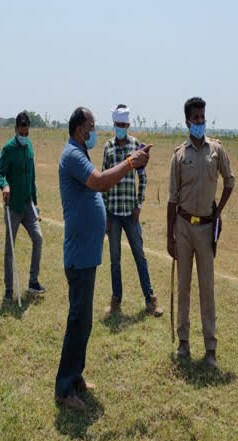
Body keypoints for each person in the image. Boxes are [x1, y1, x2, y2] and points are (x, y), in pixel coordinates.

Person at [55, 107, 152, 408]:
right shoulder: (72, 155)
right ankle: (64, 388)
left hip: (87, 253)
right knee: (77, 320)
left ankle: (76, 376)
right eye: (92, 126)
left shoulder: (80, 153)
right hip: (79, 252)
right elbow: (98, 182)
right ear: (80, 128)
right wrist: (129, 163)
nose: (95, 131)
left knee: (84, 321)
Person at [167, 97, 234, 369]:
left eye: (202, 117)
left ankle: (210, 348)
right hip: (182, 227)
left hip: (206, 228)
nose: (200, 122)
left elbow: (230, 181)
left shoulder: (216, 150)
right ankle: (183, 342)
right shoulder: (179, 155)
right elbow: (172, 198)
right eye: (195, 118)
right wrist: (169, 235)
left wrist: (218, 213)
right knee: (183, 287)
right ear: (187, 122)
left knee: (207, 289)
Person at [102, 104, 162, 317]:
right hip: (113, 214)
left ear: (128, 125)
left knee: (140, 256)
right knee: (115, 260)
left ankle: (151, 300)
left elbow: (142, 177)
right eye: (118, 124)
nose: (121, 127)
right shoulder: (107, 148)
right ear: (114, 124)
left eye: (124, 125)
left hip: (130, 214)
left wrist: (139, 205)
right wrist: (105, 216)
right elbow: (103, 181)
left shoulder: (136, 145)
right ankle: (116, 301)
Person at [0, 111, 44, 301]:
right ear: (15, 129)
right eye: (21, 133)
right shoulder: (8, 149)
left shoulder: (29, 146)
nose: (24, 137)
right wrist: (4, 184)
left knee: (38, 238)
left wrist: (35, 201)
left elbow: (32, 177)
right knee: (10, 248)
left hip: (28, 204)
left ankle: (33, 282)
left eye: (26, 133)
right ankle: (9, 290)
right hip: (12, 207)